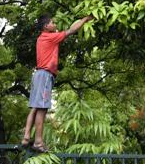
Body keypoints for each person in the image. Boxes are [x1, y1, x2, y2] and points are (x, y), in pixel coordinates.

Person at [21, 14, 94, 153]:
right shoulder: (50, 37)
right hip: (45, 75)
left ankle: (26, 138)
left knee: (35, 107)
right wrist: (85, 19)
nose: (55, 25)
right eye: (52, 23)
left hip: (38, 74)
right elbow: (71, 30)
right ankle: (38, 142)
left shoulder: (41, 38)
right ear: (46, 26)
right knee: (42, 108)